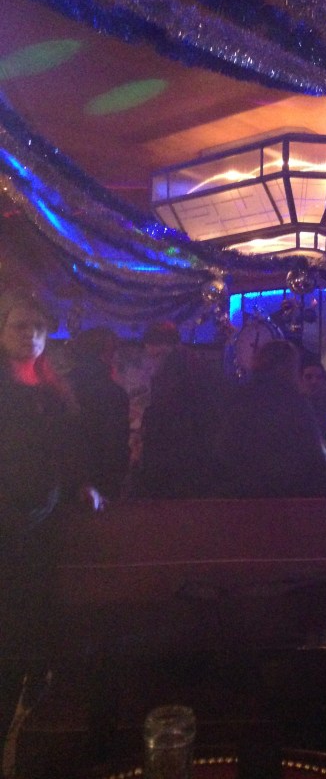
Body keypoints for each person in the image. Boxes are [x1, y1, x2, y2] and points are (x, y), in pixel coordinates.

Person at [0, 289, 104, 751]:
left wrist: (83, 484)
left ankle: (30, 714)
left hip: (45, 517)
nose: (30, 334)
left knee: (38, 608)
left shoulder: (53, 390)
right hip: (7, 519)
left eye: (38, 327)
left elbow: (67, 449)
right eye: (20, 325)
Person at [212, 340, 326, 498]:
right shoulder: (295, 402)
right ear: (290, 368)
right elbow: (315, 454)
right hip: (286, 496)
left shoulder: (239, 397)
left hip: (240, 494)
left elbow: (223, 447)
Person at [139, 321, 222, 498]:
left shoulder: (173, 372)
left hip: (177, 451)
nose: (151, 360)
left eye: (154, 354)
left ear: (164, 348)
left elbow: (167, 412)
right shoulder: (193, 364)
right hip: (196, 450)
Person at [67, 327, 130, 499]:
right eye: (115, 352)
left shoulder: (63, 385)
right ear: (107, 354)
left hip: (65, 476)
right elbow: (114, 444)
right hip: (101, 478)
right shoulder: (113, 393)